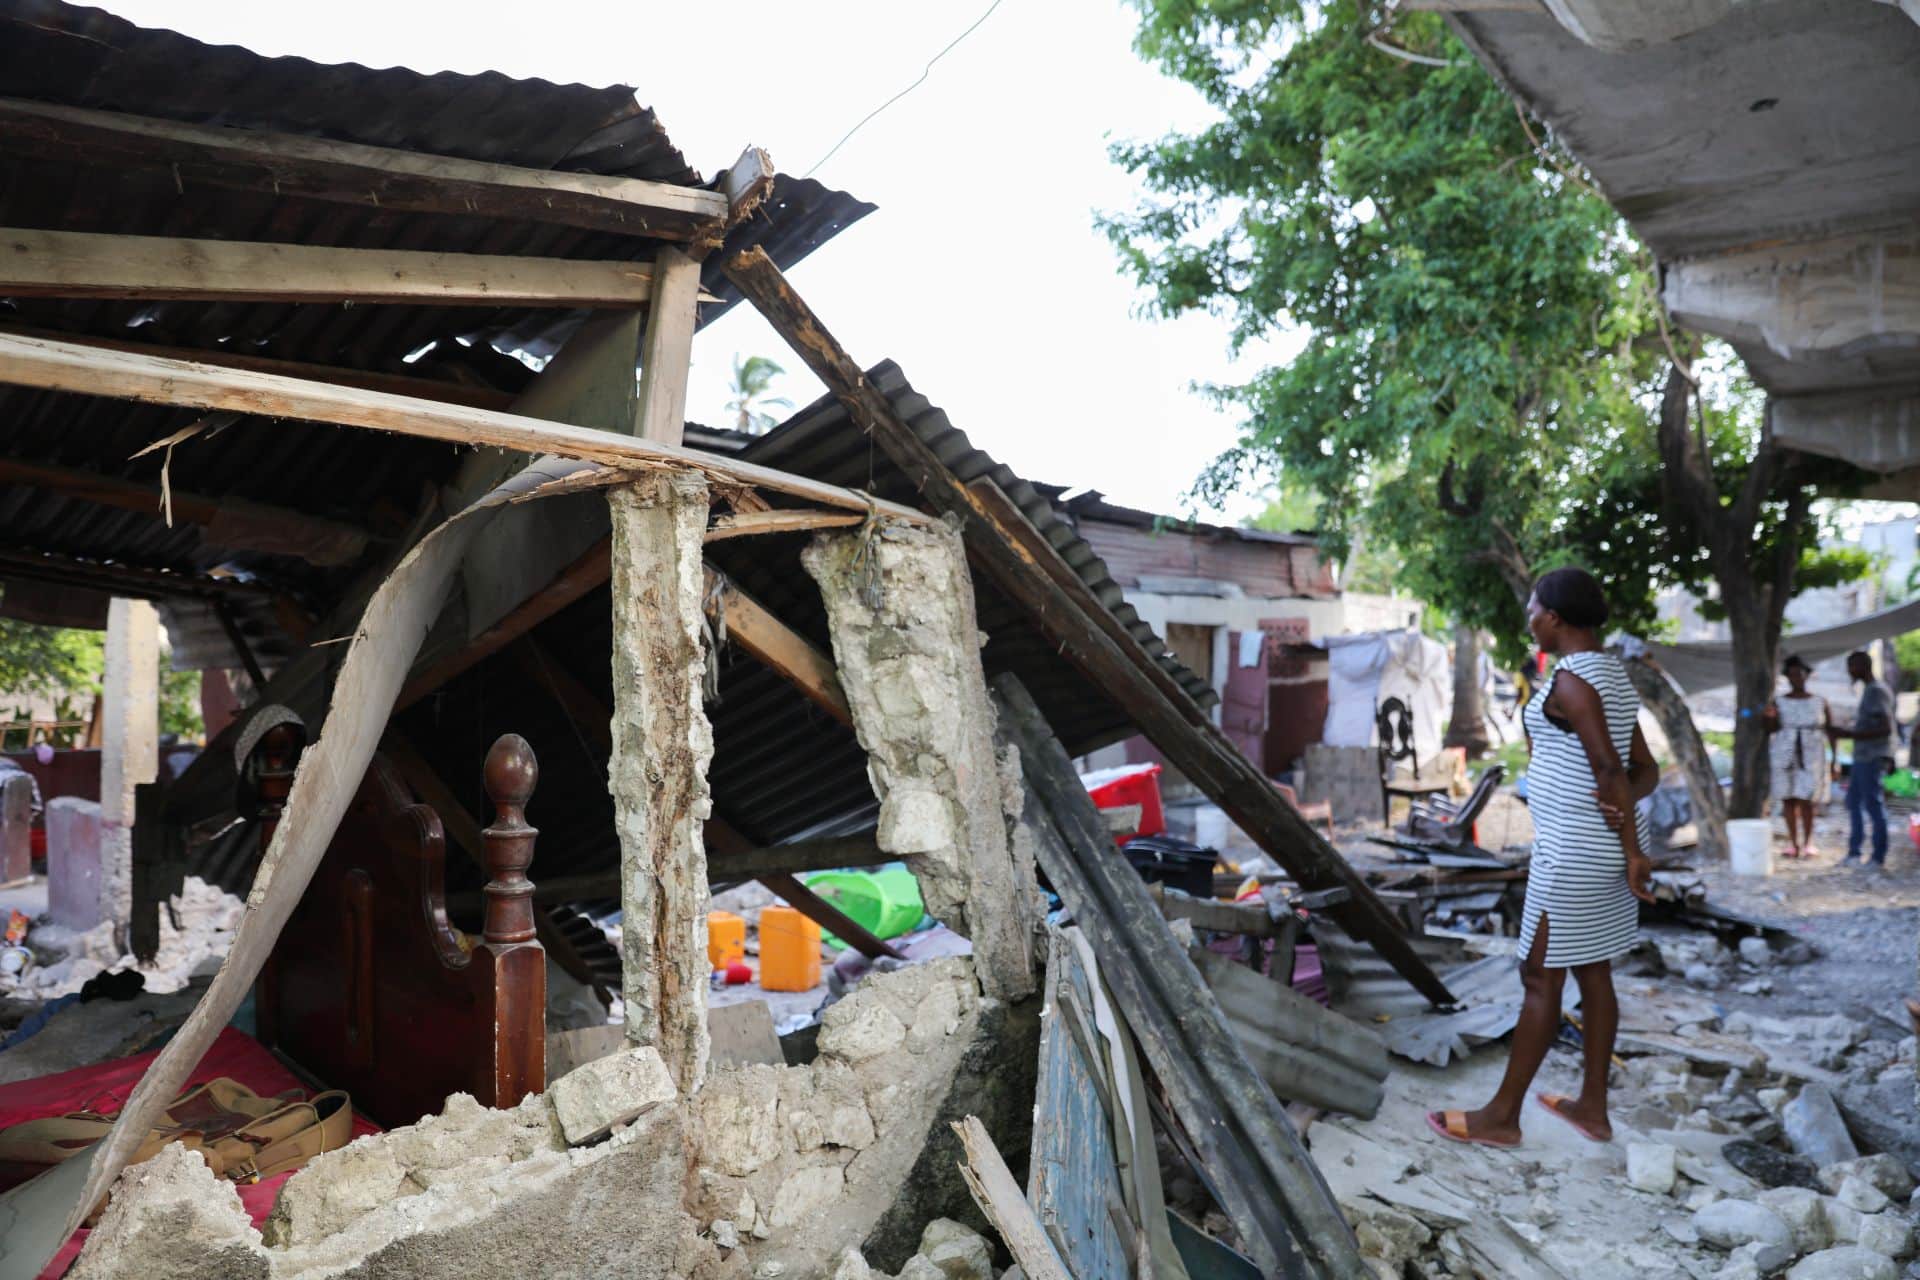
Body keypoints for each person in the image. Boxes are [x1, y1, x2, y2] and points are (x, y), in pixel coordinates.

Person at [1427, 568, 1656, 1148]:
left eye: (1533, 609)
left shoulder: (1573, 681)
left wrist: (1628, 845)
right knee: (1594, 968)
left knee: (1539, 977)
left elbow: (1610, 769)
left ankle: (1501, 1117)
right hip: (1598, 845)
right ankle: (1593, 1109)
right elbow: (1642, 771)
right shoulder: (1614, 675)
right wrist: (1622, 819)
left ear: (1553, 616)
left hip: (1575, 852)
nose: (1529, 619)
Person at [1827, 650, 1894, 866]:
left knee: (1873, 805)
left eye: (1851, 666)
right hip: (1862, 756)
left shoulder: (1876, 691)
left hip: (1871, 757)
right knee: (1853, 803)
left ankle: (1877, 856)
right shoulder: (1868, 690)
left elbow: (1885, 728)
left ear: (1862, 666)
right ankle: (1854, 853)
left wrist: (1849, 734)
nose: (1849, 671)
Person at [1762, 654, 1830, 859]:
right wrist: (1769, 717)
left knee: (1807, 799)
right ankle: (1793, 843)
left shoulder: (1819, 701)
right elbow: (1770, 729)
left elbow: (1831, 730)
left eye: (1799, 674)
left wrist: (1834, 759)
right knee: (1788, 799)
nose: (1796, 678)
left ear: (1806, 676)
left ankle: (1808, 842)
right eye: (1792, 675)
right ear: (1787, 677)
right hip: (1784, 753)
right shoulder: (1779, 701)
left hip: (1812, 754)